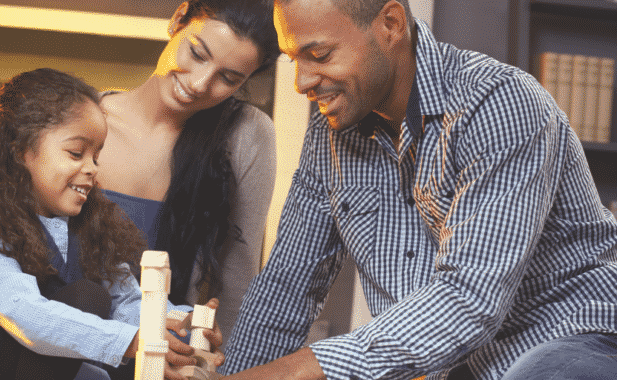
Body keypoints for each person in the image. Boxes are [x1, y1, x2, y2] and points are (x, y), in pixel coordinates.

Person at [0, 0, 280, 378]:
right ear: (177, 20)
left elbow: (138, 294)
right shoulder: (71, 119)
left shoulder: (237, 139)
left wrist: (184, 322)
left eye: (228, 77)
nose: (201, 83)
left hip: (117, 347)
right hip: (39, 339)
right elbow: (16, 303)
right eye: (197, 53)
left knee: (89, 301)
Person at [219, 0, 617, 379]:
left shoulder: (500, 102)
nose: (300, 82)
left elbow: (468, 300)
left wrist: (292, 370)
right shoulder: (329, 138)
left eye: (320, 55)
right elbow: (285, 289)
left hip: (574, 342)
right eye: (294, 60)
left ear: (391, 24)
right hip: (456, 369)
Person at [0, 68, 222, 380]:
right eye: (75, 153)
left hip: (50, 370)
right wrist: (128, 341)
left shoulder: (92, 228)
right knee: (86, 297)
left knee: (96, 359)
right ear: (20, 151)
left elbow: (125, 303)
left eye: (96, 157)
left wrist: (184, 320)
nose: (93, 168)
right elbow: (26, 313)